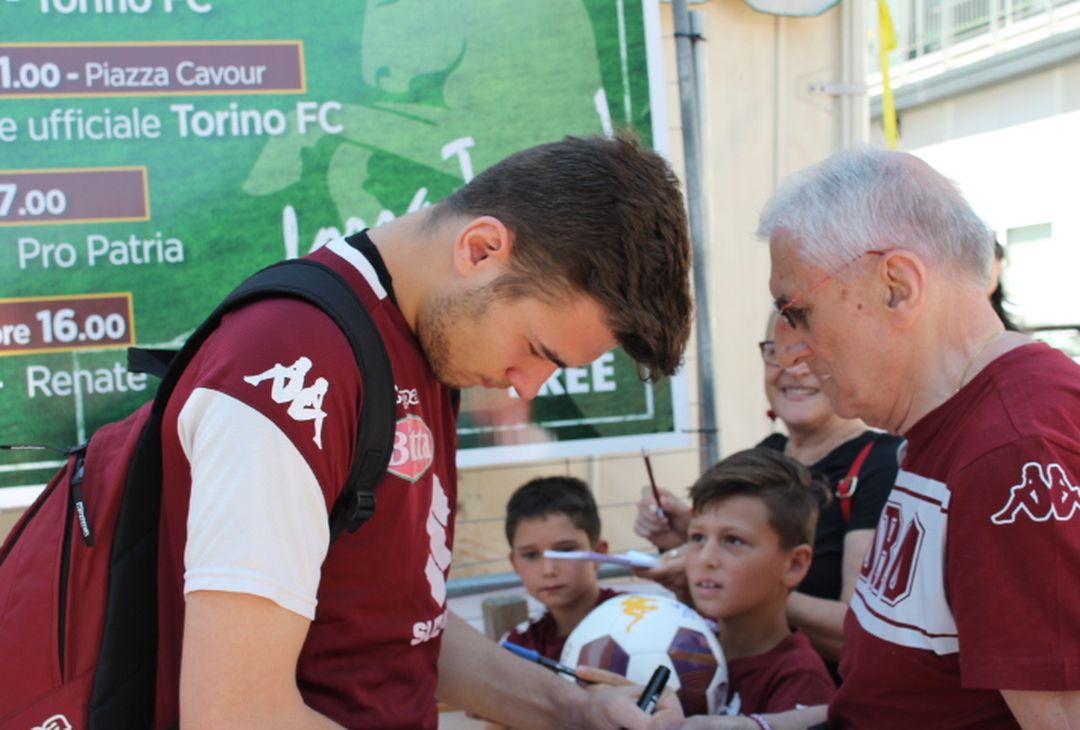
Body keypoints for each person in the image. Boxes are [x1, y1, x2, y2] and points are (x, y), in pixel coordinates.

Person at [155, 134, 693, 729]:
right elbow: (235, 715)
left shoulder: (427, 344)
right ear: (482, 250)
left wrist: (573, 708)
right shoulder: (292, 366)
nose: (528, 385)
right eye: (536, 350)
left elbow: (401, 626)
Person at [756, 147, 1080, 728]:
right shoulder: (958, 425)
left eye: (797, 310)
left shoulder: (1011, 448)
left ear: (897, 286)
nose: (793, 348)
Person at [635, 313, 901, 663]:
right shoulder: (763, 454)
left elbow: (861, 631)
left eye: (810, 354)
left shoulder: (883, 468)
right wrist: (685, 535)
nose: (793, 369)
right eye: (778, 353)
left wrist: (755, 589)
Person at [683, 448, 836, 723]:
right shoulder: (682, 645)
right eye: (697, 537)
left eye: (733, 540)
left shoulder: (801, 681)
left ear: (795, 565)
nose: (706, 558)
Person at [501, 476, 621, 660]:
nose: (548, 570)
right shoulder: (518, 645)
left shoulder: (642, 618)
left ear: (599, 553)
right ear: (514, 563)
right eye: (531, 555)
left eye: (565, 551)